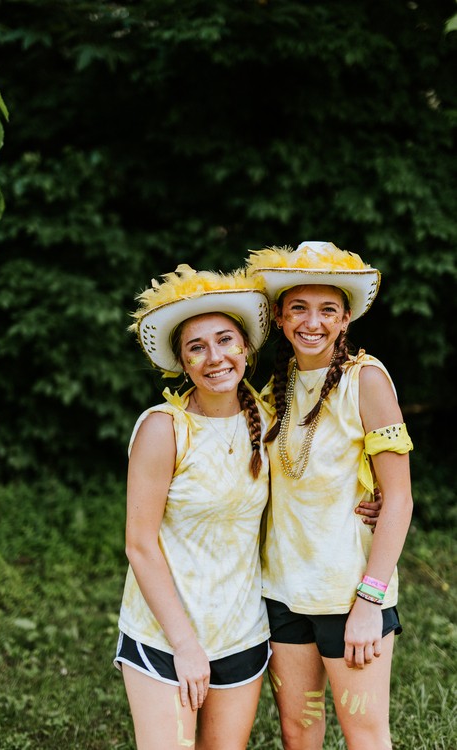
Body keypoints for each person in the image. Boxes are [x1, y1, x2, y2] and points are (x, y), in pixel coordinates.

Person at [245, 241, 414, 750]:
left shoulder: (367, 380)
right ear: (280, 316)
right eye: (298, 308)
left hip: (349, 593)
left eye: (327, 310)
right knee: (298, 731)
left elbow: (399, 498)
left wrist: (369, 601)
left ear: (345, 319)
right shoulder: (276, 388)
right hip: (283, 591)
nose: (312, 322)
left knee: (364, 734)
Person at [113, 263, 275, 749]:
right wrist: (184, 644)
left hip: (241, 630)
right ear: (183, 364)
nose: (215, 357)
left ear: (245, 349)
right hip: (164, 634)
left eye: (225, 340)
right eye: (197, 347)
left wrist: (372, 498)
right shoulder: (163, 428)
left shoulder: (269, 421)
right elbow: (139, 545)